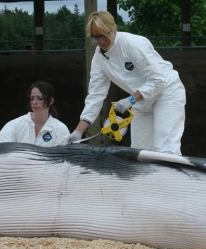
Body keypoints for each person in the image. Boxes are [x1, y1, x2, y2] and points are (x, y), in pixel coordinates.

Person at [68, 11, 186, 155]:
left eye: (103, 35)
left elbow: (158, 80)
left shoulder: (133, 43)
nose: (100, 41)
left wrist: (131, 99)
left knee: (166, 148)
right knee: (139, 152)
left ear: (112, 30)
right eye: (95, 37)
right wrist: (78, 131)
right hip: (142, 102)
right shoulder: (98, 59)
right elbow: (95, 96)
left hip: (167, 93)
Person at [0, 80, 70, 147]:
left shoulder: (60, 129)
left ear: (51, 101)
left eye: (40, 98)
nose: (34, 102)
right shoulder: (13, 125)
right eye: (32, 98)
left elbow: (63, 159)